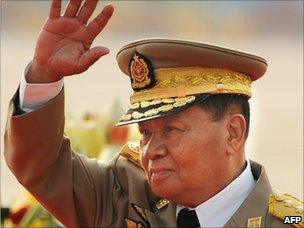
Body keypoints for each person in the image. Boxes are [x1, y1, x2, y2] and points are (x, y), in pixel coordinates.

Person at [4, 0, 303, 227]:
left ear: (233, 133)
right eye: (146, 132)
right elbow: (42, 165)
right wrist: (43, 75)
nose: (151, 151)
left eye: (171, 130)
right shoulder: (124, 196)